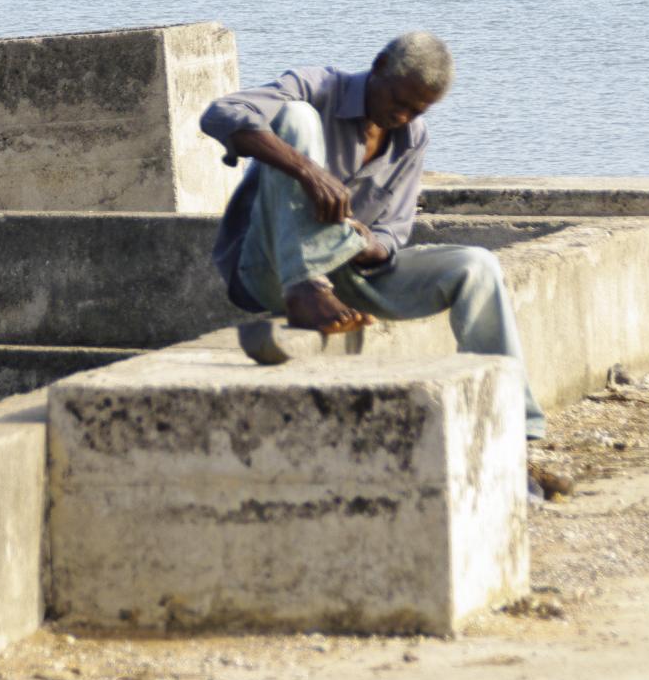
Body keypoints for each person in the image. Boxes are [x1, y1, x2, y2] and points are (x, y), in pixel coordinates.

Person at [200, 30, 546, 443]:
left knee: (477, 266)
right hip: (269, 266)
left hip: (346, 275)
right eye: (399, 102)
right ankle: (305, 285)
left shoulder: (411, 138)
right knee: (296, 117)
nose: (404, 117)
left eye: (419, 110)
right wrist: (308, 172)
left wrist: (370, 245)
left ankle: (513, 427)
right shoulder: (318, 87)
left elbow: (394, 230)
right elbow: (221, 112)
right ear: (379, 66)